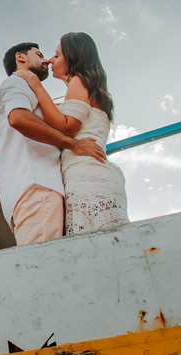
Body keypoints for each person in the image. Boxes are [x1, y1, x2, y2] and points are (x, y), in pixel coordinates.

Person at [14, 32, 129, 235]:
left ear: (73, 57)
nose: (50, 60)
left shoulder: (78, 81)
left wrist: (37, 87)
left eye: (57, 56)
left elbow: (66, 126)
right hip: (94, 174)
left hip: (86, 177)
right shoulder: (89, 88)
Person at [0, 42, 107, 245]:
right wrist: (74, 145)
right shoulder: (18, 82)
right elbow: (19, 118)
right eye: (39, 54)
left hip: (40, 185)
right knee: (42, 262)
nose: (47, 60)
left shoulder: (31, 89)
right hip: (37, 183)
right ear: (20, 58)